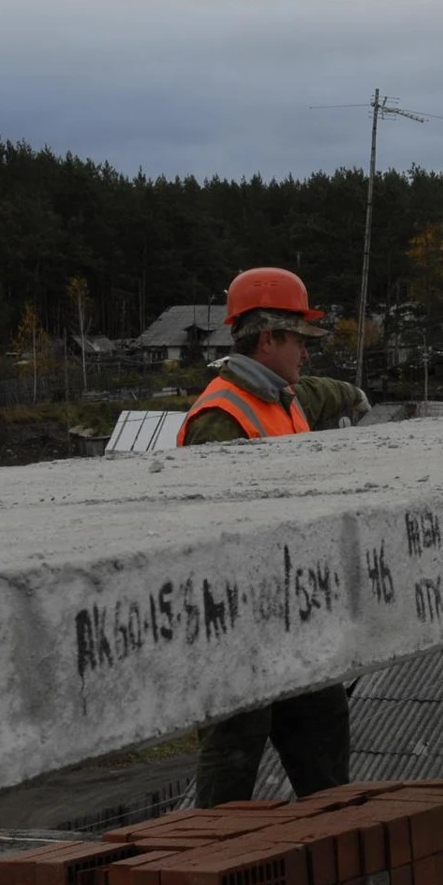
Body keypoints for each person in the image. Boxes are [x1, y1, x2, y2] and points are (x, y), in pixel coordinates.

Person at [177, 266, 370, 805]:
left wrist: (356, 397)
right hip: (239, 626)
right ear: (267, 339)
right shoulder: (220, 418)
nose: (305, 353)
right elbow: (216, 537)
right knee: (232, 758)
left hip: (296, 617)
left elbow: (321, 392)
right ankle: (216, 866)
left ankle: (335, 856)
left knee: (323, 738)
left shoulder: (284, 398)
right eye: (299, 340)